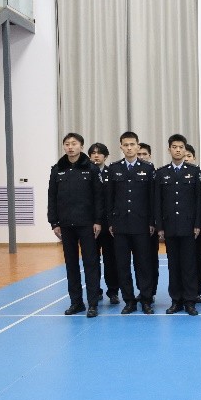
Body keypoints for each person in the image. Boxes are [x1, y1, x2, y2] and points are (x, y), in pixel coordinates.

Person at [47, 133, 103, 318]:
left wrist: (98, 221)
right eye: (67, 144)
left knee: (91, 264)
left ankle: (93, 303)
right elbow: (52, 197)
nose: (70, 147)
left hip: (87, 224)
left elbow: (98, 197)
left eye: (74, 144)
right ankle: (76, 302)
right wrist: (54, 222)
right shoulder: (57, 169)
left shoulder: (91, 169)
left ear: (81, 146)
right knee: (71, 265)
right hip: (65, 225)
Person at [105, 131, 156, 314]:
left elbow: (152, 198)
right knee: (123, 265)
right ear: (121, 147)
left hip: (141, 224)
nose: (129, 148)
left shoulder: (148, 168)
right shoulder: (114, 168)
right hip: (120, 225)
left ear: (137, 146)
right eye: (125, 145)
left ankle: (146, 299)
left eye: (132, 144)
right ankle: (129, 300)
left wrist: (152, 221)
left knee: (144, 265)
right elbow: (109, 198)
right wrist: (111, 222)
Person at [154, 134, 201, 316]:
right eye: (174, 147)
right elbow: (158, 202)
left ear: (185, 149)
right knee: (173, 265)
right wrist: (160, 226)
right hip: (170, 226)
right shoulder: (161, 173)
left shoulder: (194, 171)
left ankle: (190, 301)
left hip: (189, 226)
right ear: (169, 150)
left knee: (189, 265)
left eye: (181, 147)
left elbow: (198, 200)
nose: (178, 150)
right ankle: (176, 300)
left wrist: (197, 223)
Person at [88, 142, 120, 305]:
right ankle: (95, 291)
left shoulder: (112, 173)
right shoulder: (85, 174)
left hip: (108, 226)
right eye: (93, 153)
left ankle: (113, 291)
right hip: (90, 225)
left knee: (111, 260)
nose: (96, 156)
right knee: (92, 261)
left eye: (99, 153)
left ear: (105, 156)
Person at [136, 142, 160, 301]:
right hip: (136, 224)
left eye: (144, 154)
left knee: (151, 260)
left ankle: (151, 290)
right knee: (140, 261)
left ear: (150, 156)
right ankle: (143, 290)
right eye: (139, 154)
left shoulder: (154, 173)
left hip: (151, 225)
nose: (141, 157)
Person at [185, 144, 201, 303]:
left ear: (194, 158)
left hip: (197, 226)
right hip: (181, 226)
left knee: (197, 260)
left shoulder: (200, 176)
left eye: (189, 156)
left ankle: (197, 290)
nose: (186, 159)